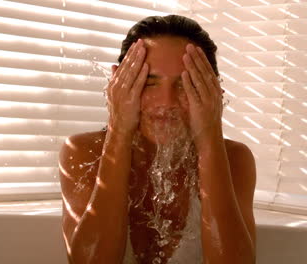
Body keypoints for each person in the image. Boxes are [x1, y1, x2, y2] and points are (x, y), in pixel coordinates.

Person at [59, 15, 257, 264]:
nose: (166, 102)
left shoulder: (234, 159)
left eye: (186, 85)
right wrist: (119, 129)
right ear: (119, 84)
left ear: (212, 91)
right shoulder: (83, 152)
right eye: (148, 83)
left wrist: (209, 137)